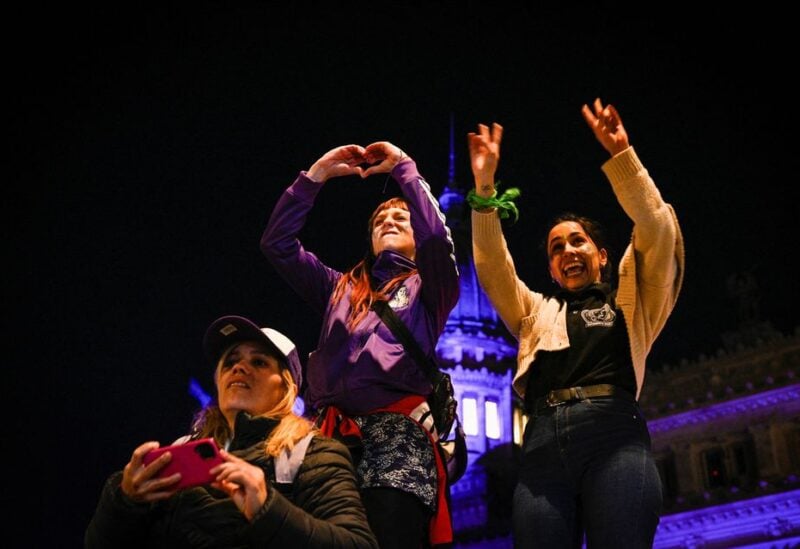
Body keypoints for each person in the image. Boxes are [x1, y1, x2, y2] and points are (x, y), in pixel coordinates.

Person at [468, 99, 684, 548]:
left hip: (614, 435)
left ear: (602, 256)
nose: (567, 250)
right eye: (555, 247)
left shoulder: (634, 296)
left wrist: (621, 155)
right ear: (550, 268)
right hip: (543, 443)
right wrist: (485, 189)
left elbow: (658, 227)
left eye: (577, 241)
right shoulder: (535, 312)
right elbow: (492, 267)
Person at [261, 141, 459, 548]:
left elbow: (438, 240)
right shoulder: (340, 288)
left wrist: (405, 167)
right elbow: (277, 245)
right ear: (368, 238)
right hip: (329, 439)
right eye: (380, 218)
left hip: (396, 439)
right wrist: (315, 176)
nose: (389, 219)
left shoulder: (430, 289)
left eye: (401, 216)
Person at [85, 315, 378, 548]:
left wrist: (268, 510)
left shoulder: (314, 454)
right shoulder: (180, 452)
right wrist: (124, 501)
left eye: (259, 362)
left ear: (287, 388)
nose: (239, 367)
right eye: (230, 361)